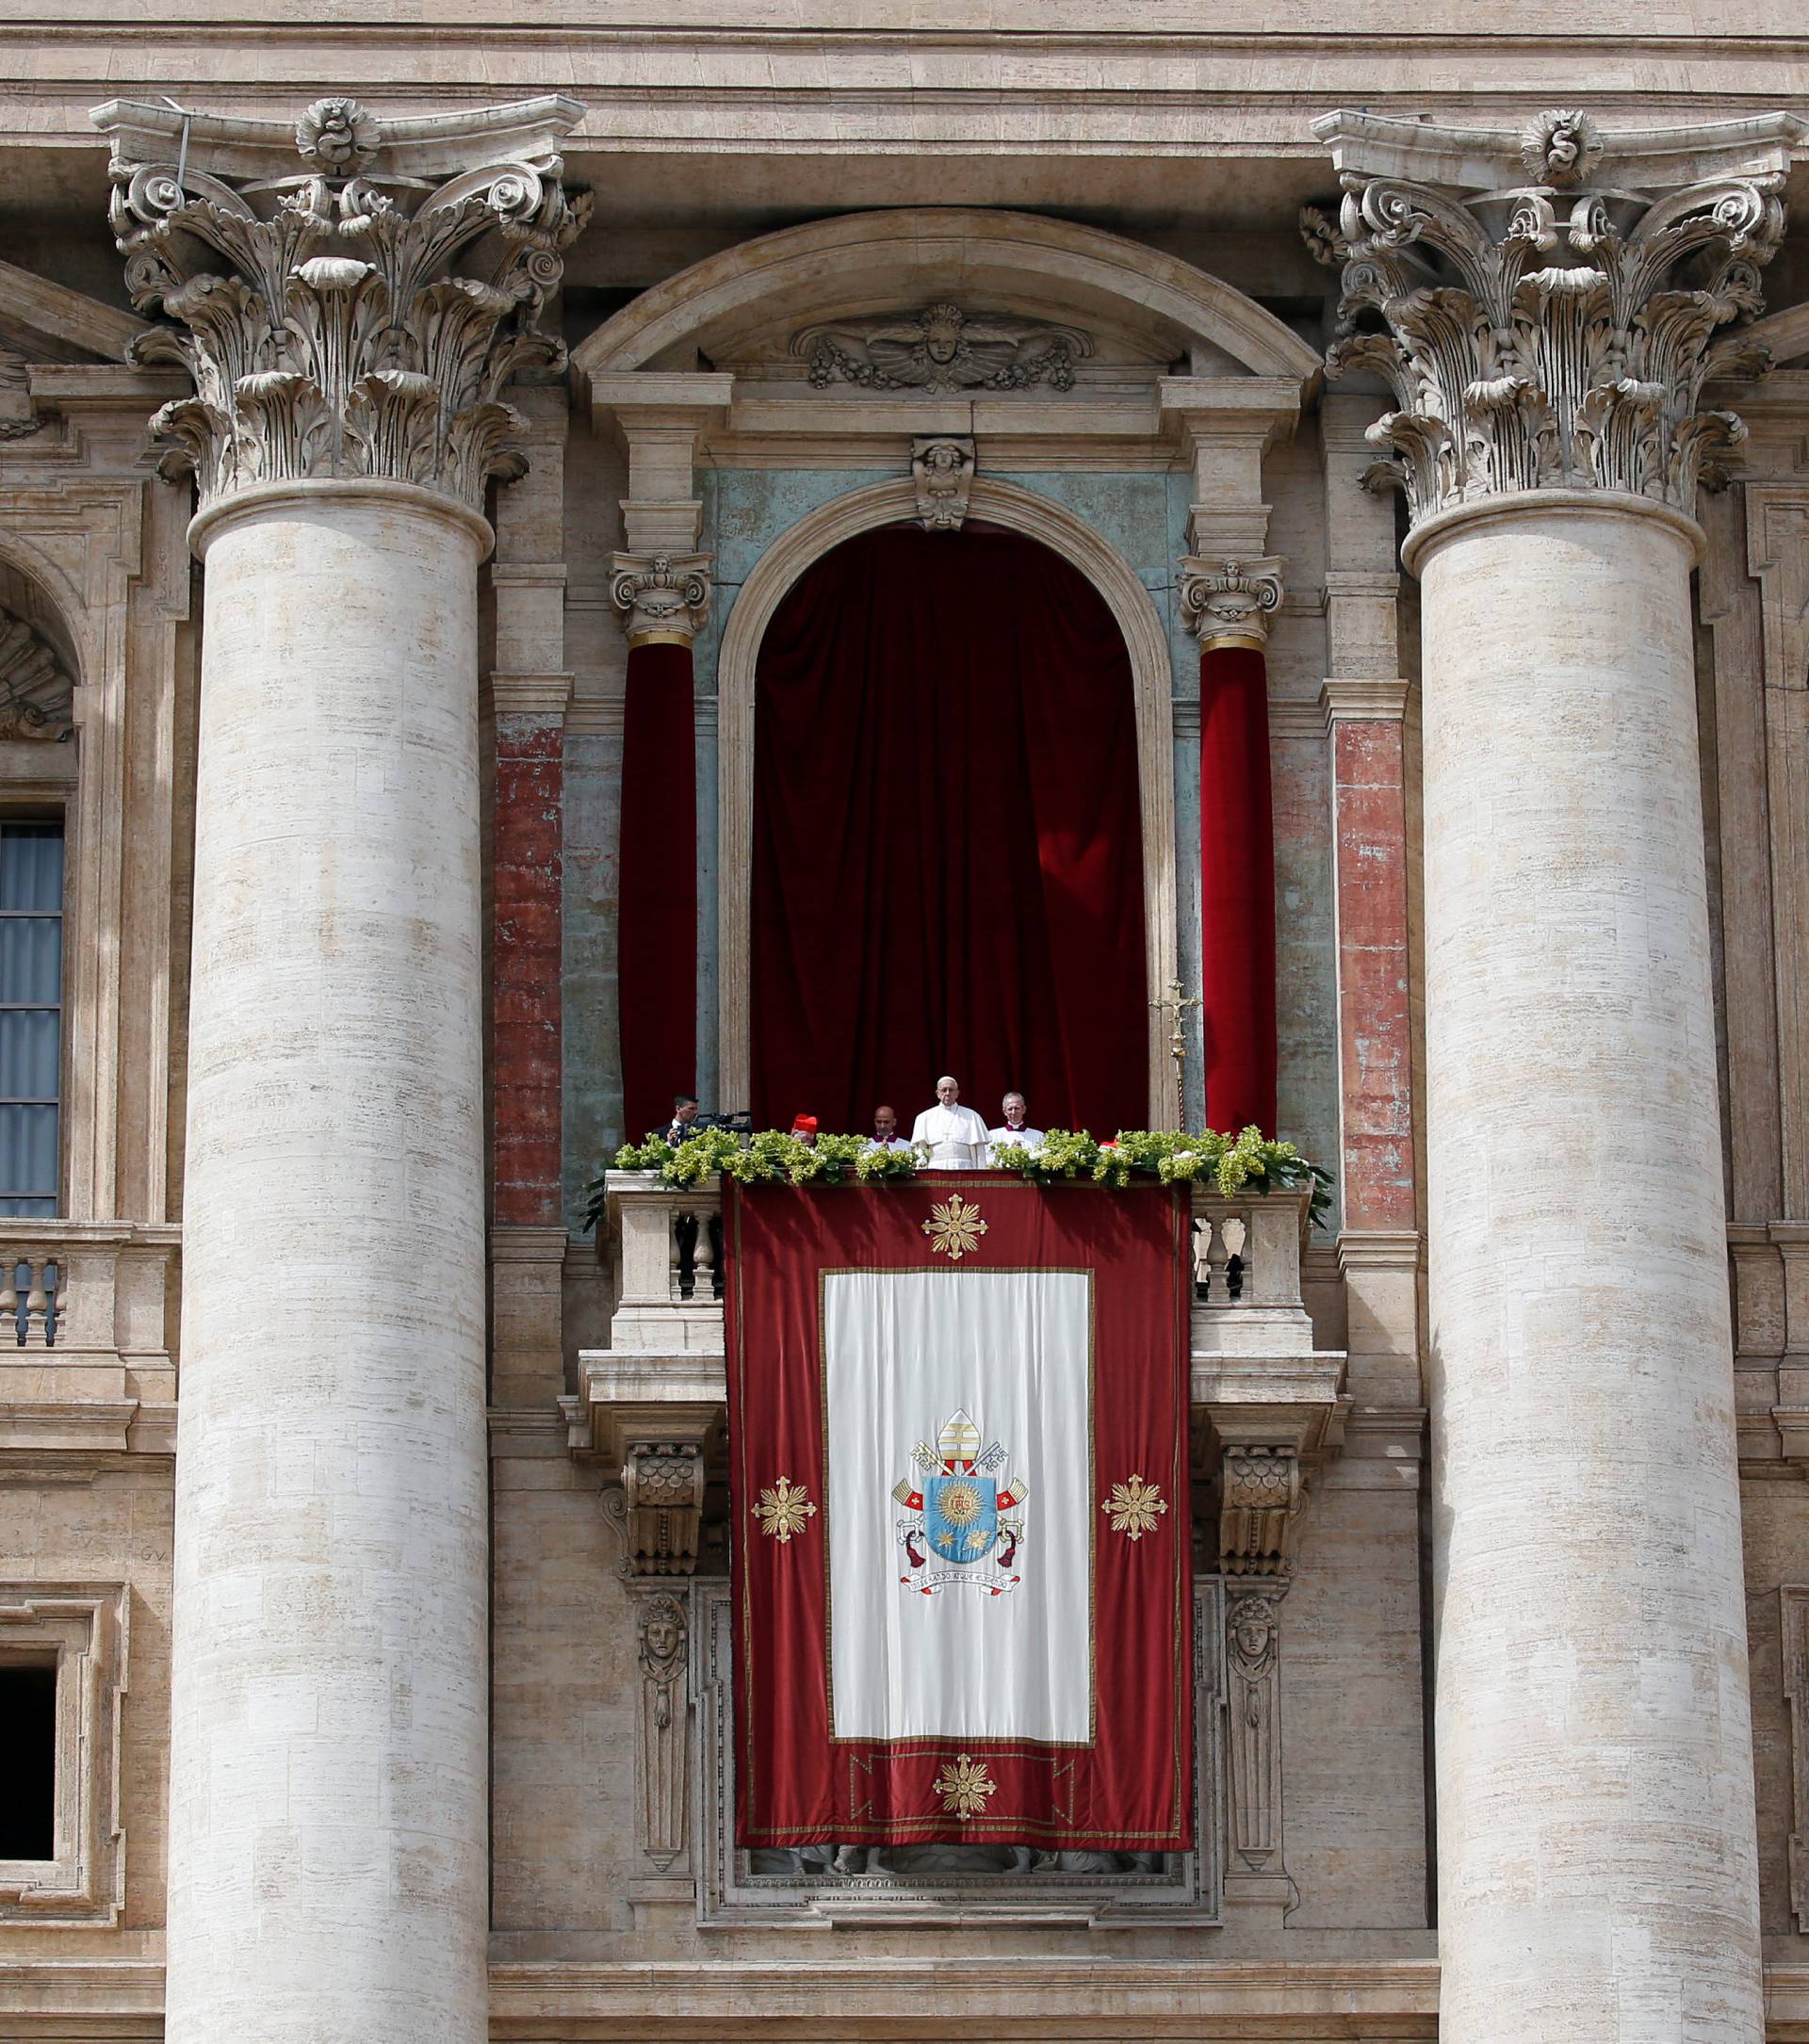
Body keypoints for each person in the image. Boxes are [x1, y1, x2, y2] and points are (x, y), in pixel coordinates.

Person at [910, 1075, 990, 1168]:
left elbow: (980, 1151)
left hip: (964, 1168)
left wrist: (981, 1173)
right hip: (935, 1168)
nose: (947, 1093)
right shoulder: (924, 1117)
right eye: (944, 1090)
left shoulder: (972, 1116)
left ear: (957, 1093)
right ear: (938, 1093)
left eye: (951, 1090)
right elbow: (921, 1150)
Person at [986, 1091, 1045, 1157]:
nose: (1013, 1112)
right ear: (1004, 1111)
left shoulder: (1038, 1136)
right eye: (1010, 1109)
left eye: (1016, 1108)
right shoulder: (993, 1136)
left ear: (1024, 1109)